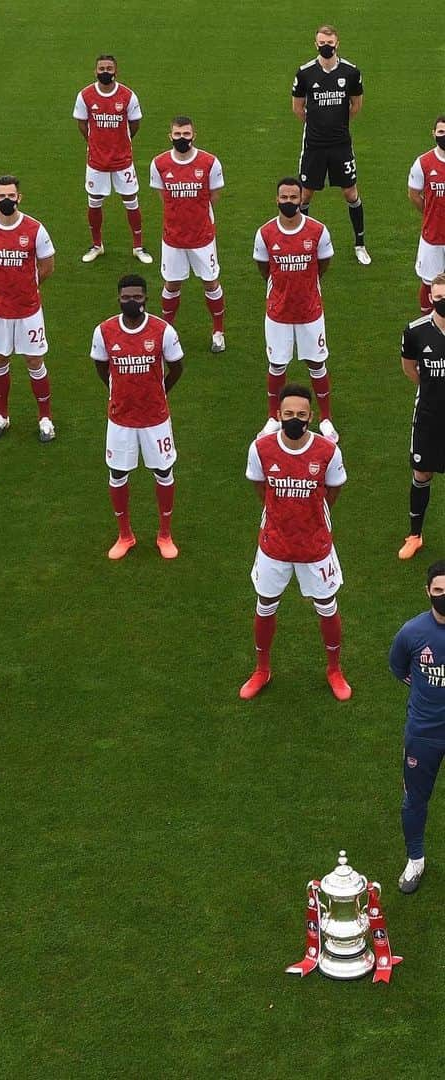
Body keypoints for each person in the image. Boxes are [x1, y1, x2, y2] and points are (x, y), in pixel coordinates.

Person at [240, 384, 349, 701]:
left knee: (327, 607)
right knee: (265, 604)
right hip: (274, 543)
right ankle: (262, 669)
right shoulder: (260, 449)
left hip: (315, 545)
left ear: (311, 417)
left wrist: (311, 515)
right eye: (288, 414)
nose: (294, 419)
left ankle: (334, 670)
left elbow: (332, 493)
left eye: (301, 415)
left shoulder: (328, 452)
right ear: (278, 414)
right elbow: (261, 488)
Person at [90, 274, 183, 560]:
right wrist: (116, 390)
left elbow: (177, 367)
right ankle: (125, 535)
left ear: (146, 298)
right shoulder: (104, 331)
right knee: (118, 474)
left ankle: (165, 534)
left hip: (155, 418)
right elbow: (101, 367)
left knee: (163, 473)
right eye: (127, 297)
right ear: (119, 298)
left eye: (138, 297)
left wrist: (159, 392)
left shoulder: (162, 330)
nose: (132, 302)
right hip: (120, 419)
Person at [0, 175, 56, 443]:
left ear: (19, 198)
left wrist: (27, 286)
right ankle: (1, 416)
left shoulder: (35, 229)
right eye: (1, 196)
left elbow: (47, 266)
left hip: (29, 310)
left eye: (11, 196)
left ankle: (45, 419)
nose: (6, 200)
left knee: (34, 361)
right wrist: (0, 286)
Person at [253, 179, 337, 441]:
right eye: (284, 197)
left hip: (310, 311)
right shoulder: (265, 233)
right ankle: (272, 417)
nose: (288, 201)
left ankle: (325, 419)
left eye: (293, 197)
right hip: (278, 313)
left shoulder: (318, 231)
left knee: (317, 363)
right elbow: (264, 268)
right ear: (276, 200)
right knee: (277, 365)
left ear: (302, 200)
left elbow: (323, 265)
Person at [388, 560, 445, 894]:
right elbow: (399, 668)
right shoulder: (411, 632)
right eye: (438, 591)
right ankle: (415, 860)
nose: (443, 597)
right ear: (428, 592)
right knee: (414, 801)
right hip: (423, 734)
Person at [291, 24, 369, 265]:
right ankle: (303, 244)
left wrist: (337, 124)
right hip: (314, 145)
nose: (326, 47)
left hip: (340, 144)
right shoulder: (305, 73)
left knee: (350, 192)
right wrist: (317, 125)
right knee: (305, 195)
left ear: (337, 43)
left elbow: (356, 104)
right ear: (316, 44)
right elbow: (297, 108)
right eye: (322, 43)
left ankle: (360, 244)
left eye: (330, 43)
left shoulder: (351, 72)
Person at [150, 116, 227, 353]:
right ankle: (167, 331)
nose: (181, 138)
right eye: (177, 134)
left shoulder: (209, 163)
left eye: (186, 134)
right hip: (173, 238)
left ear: (194, 136)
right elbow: (164, 197)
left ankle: (218, 332)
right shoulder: (159, 164)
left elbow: (213, 196)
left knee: (210, 282)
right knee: (172, 284)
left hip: (202, 237)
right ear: (170, 136)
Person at [72, 54, 152, 265]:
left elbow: (135, 124)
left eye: (109, 68)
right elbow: (82, 123)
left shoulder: (127, 96)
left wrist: (121, 142)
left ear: (116, 71)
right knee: (94, 202)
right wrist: (94, 143)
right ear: (95, 71)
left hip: (122, 160)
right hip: (96, 162)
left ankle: (138, 246)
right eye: (101, 68)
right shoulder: (86, 96)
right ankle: (97, 245)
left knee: (131, 201)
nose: (105, 72)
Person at [398, 274, 445, 560]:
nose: (443, 302)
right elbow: (409, 369)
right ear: (430, 298)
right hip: (428, 415)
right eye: (439, 298)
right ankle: (415, 535)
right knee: (421, 473)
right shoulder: (415, 331)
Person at [408, 117, 445, 316]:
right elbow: (414, 194)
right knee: (429, 280)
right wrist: (430, 212)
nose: (444, 136)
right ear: (433, 134)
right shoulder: (423, 163)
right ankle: (427, 320)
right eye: (441, 132)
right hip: (433, 236)